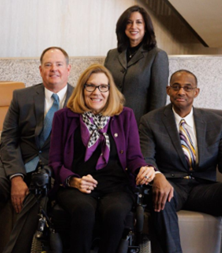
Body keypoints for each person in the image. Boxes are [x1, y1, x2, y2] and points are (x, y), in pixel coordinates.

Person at [138, 70, 222, 253]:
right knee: (161, 197)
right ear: (168, 90)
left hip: (203, 188)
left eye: (188, 88)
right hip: (171, 185)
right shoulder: (150, 121)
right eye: (176, 87)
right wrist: (158, 177)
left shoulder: (215, 122)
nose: (181, 92)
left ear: (196, 92)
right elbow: (147, 157)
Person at [49, 64, 156, 253]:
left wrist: (144, 168)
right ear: (82, 89)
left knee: (115, 212)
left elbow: (134, 157)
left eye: (103, 87)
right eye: (90, 86)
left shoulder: (125, 116)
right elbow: (55, 162)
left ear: (110, 90)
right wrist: (74, 181)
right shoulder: (63, 117)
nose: (97, 92)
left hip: (116, 186)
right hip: (77, 185)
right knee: (83, 210)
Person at [0, 46, 74, 253]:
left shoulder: (81, 99)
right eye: (48, 65)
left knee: (41, 193)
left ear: (68, 69)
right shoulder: (21, 97)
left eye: (59, 64)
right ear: (40, 70)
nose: (54, 69)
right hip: (19, 159)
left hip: (53, 168)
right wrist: (16, 177)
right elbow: (8, 139)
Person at [104, 5, 169, 123]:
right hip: (110, 120)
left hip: (138, 124)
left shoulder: (157, 55)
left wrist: (149, 128)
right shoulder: (112, 54)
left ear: (146, 27)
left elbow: (158, 100)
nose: (133, 26)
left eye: (139, 22)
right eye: (129, 22)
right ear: (123, 27)